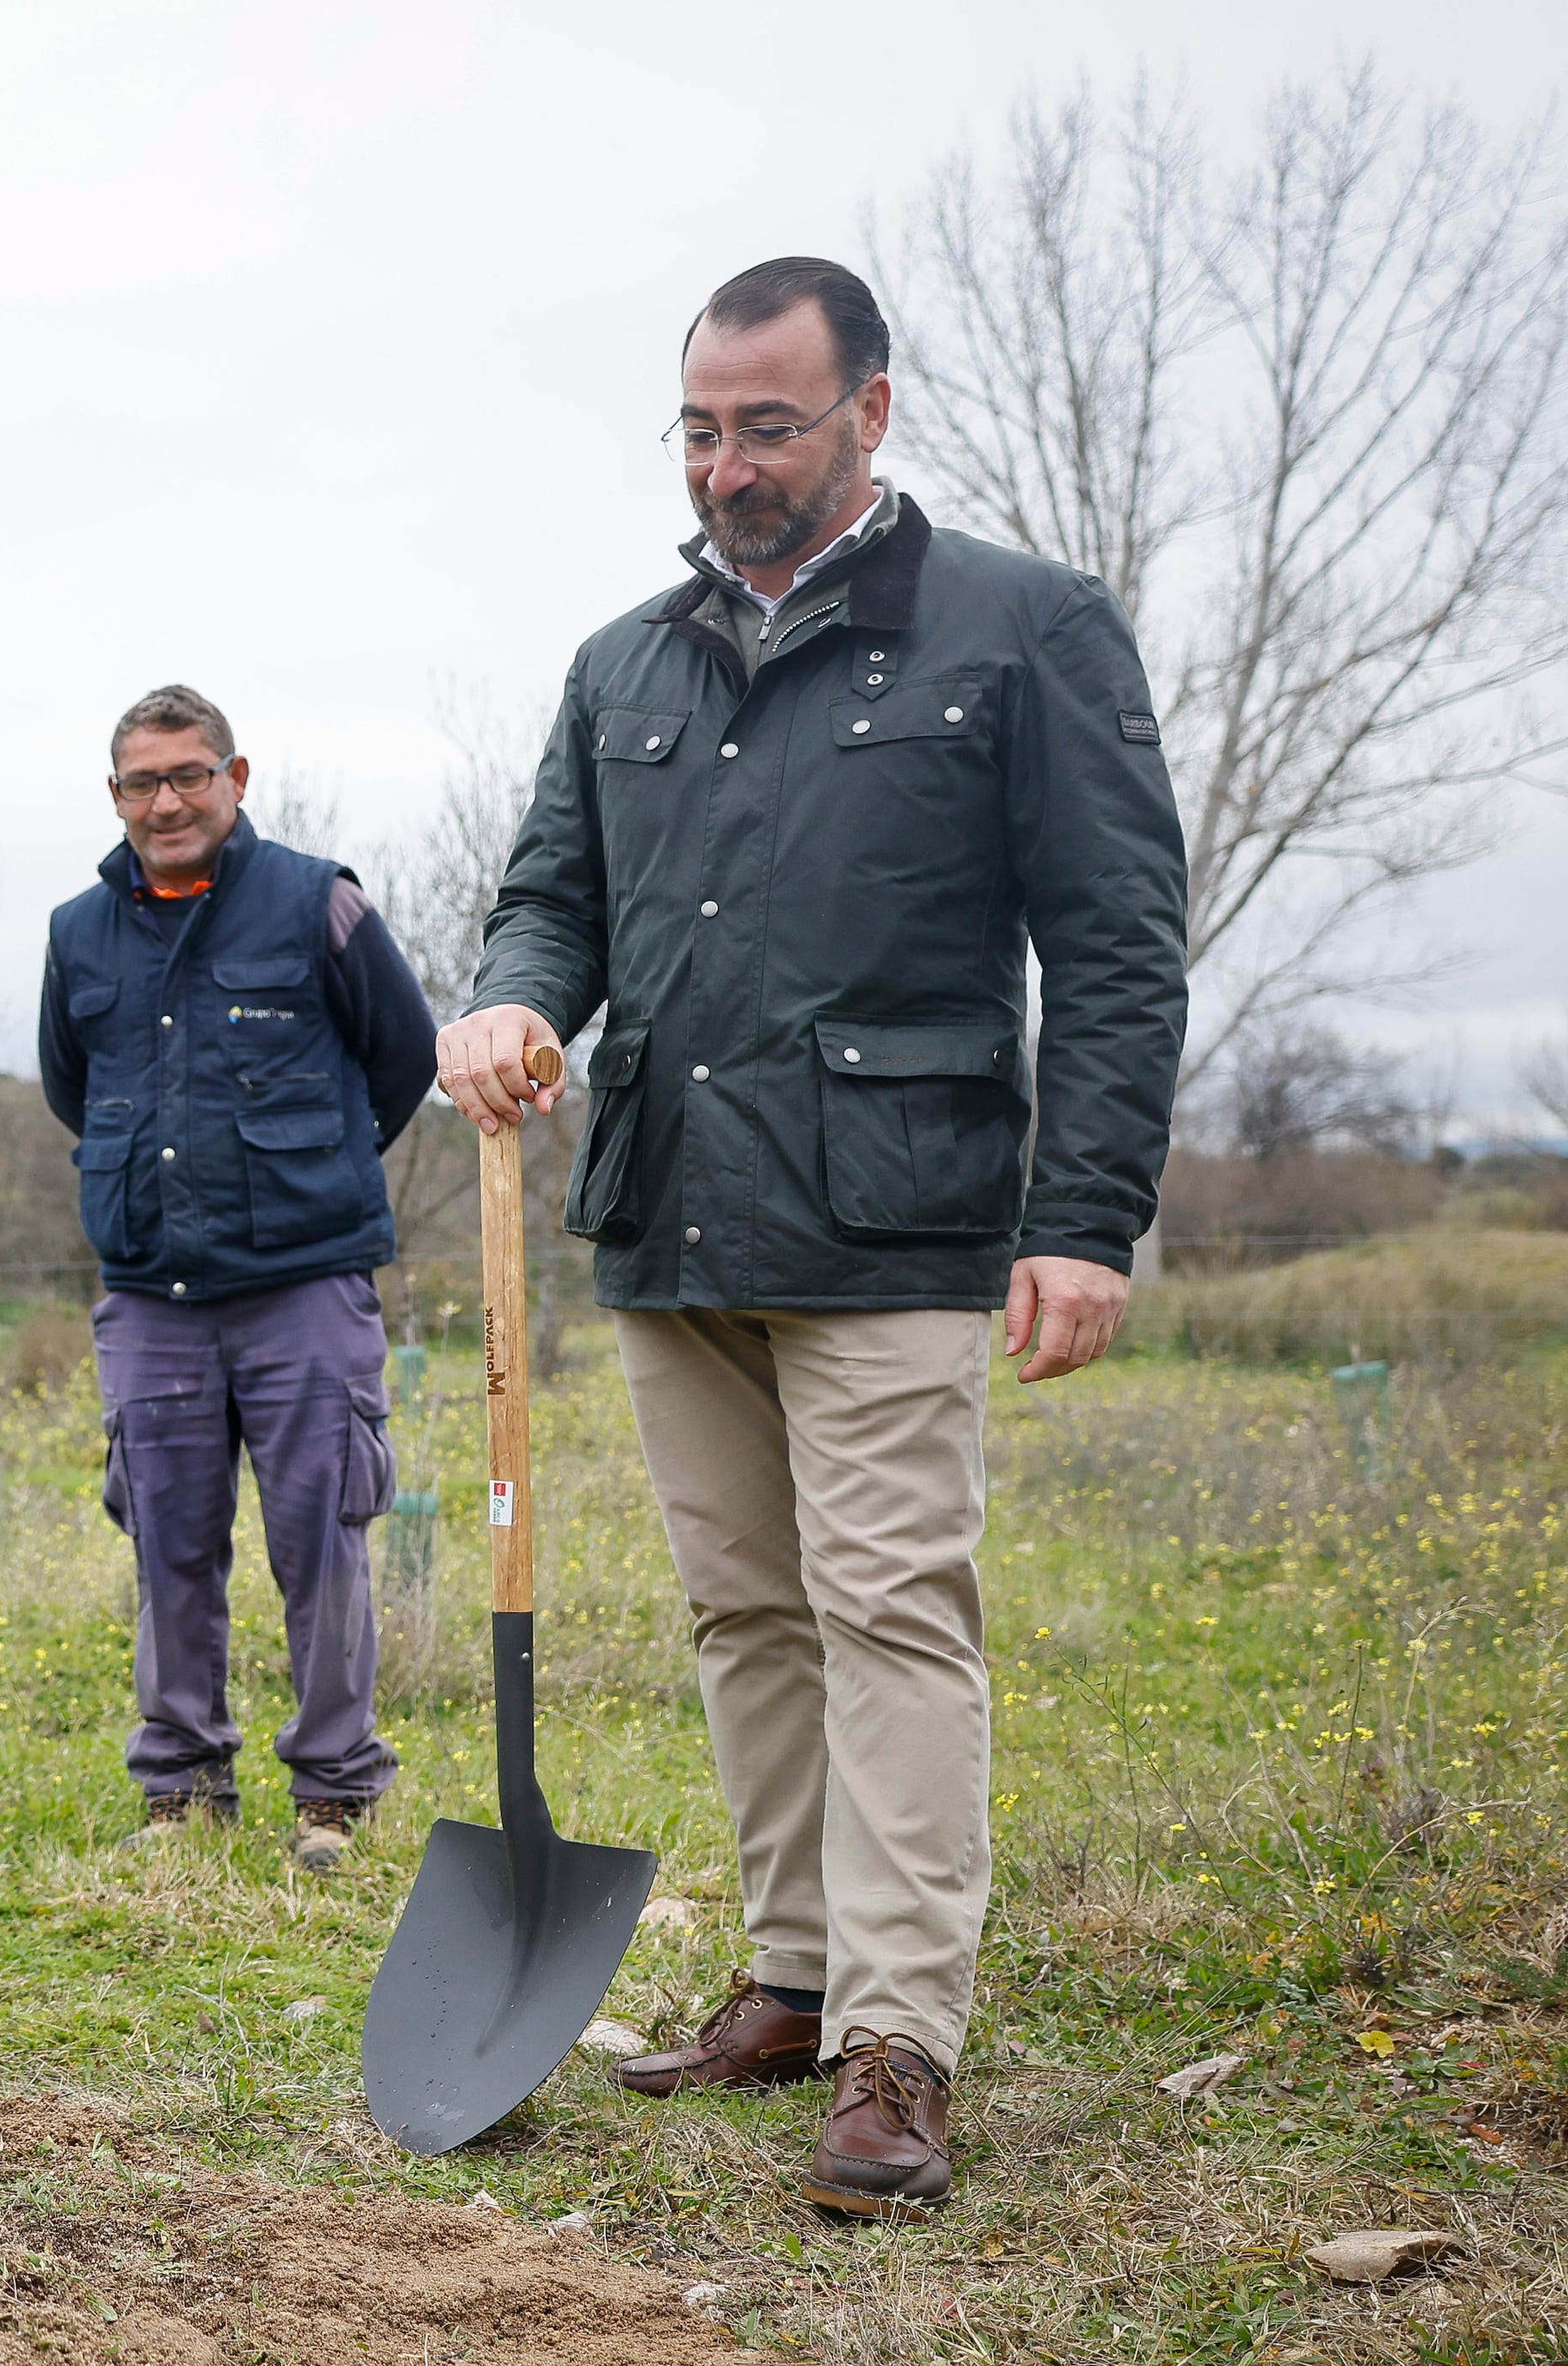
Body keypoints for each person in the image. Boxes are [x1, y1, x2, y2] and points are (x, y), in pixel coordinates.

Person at [438, 257, 1187, 2214]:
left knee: (888, 1614)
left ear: (868, 410)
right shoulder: (625, 663)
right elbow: (551, 902)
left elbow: (1112, 945)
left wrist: (1085, 1215)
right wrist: (513, 1003)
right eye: (698, 426)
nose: (726, 463)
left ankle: (899, 2041)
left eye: (767, 424)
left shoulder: (1021, 630)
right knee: (746, 1614)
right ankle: (791, 1973)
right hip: (671, 1216)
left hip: (898, 1221)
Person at [37, 687, 439, 1874]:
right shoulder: (78, 931)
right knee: (168, 1537)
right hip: (152, 1297)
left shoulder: (318, 901)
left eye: (188, 775)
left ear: (236, 777)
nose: (166, 800)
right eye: (141, 782)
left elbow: (405, 1054)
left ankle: (334, 1790)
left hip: (304, 1285)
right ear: (116, 796)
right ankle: (183, 1787)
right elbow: (73, 1084)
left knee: (321, 1535)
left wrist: (308, 1168)